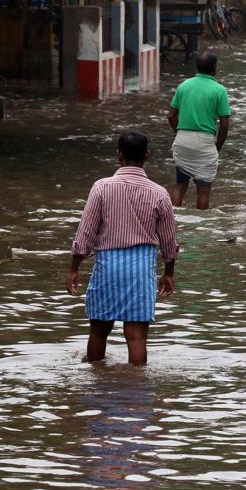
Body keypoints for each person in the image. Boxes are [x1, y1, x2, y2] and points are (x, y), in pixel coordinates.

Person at [67, 131, 179, 366]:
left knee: (99, 332)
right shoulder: (159, 193)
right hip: (141, 269)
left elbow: (85, 231)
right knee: (136, 336)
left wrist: (74, 268)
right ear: (147, 155)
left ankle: (96, 382)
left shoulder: (101, 188)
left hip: (108, 265)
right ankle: (137, 390)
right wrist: (168, 273)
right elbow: (169, 240)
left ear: (119, 155)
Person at [167, 52, 230, 210]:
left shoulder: (184, 85)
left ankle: (173, 221)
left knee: (180, 185)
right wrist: (217, 147)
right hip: (205, 143)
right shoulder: (219, 90)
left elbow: (171, 115)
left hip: (182, 141)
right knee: (203, 192)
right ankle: (201, 229)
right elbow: (224, 124)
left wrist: (180, 133)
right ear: (214, 68)